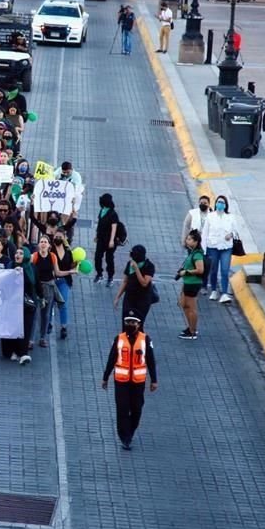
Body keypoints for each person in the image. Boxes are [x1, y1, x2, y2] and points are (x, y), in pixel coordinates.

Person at [101, 312, 157, 451]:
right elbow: (112, 358)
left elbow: (150, 360)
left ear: (138, 325)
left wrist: (154, 380)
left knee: (137, 409)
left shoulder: (145, 340)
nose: (130, 325)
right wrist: (105, 377)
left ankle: (130, 430)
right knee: (122, 409)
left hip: (138, 382)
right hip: (121, 381)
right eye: (128, 323)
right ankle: (125, 437)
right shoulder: (119, 339)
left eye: (133, 323)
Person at [202, 194, 238, 303]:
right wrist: (204, 249)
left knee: (224, 270)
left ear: (225, 205)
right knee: (213, 270)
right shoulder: (210, 216)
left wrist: (231, 235)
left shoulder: (230, 217)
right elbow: (205, 233)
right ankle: (213, 290)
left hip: (226, 247)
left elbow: (236, 232)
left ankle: (224, 293)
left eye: (222, 202)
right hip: (212, 246)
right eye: (218, 202)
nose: (220, 204)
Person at [113, 245, 156, 327]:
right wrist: (117, 297)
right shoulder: (129, 264)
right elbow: (125, 281)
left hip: (143, 299)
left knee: (138, 325)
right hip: (129, 298)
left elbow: (144, 283)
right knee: (126, 323)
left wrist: (136, 269)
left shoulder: (149, 266)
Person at [181, 194, 212, 292]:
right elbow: (186, 226)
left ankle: (204, 285)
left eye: (205, 203)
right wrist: (184, 240)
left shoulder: (212, 215)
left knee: (206, 265)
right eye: (201, 203)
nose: (203, 204)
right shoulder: (192, 213)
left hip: (207, 245)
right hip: (193, 245)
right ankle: (193, 282)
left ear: (209, 204)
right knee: (193, 264)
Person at [177, 229, 204, 340]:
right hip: (187, 282)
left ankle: (192, 331)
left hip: (193, 283)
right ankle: (190, 327)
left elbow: (200, 270)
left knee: (192, 308)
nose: (187, 241)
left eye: (189, 239)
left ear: (196, 241)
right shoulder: (192, 252)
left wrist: (187, 272)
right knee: (184, 304)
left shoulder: (197, 255)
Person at [94, 192, 119, 287]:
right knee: (97, 257)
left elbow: (114, 228)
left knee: (109, 259)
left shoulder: (113, 214)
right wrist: (97, 235)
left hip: (109, 240)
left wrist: (112, 240)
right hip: (101, 238)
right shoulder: (102, 210)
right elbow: (100, 224)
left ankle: (110, 277)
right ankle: (99, 274)